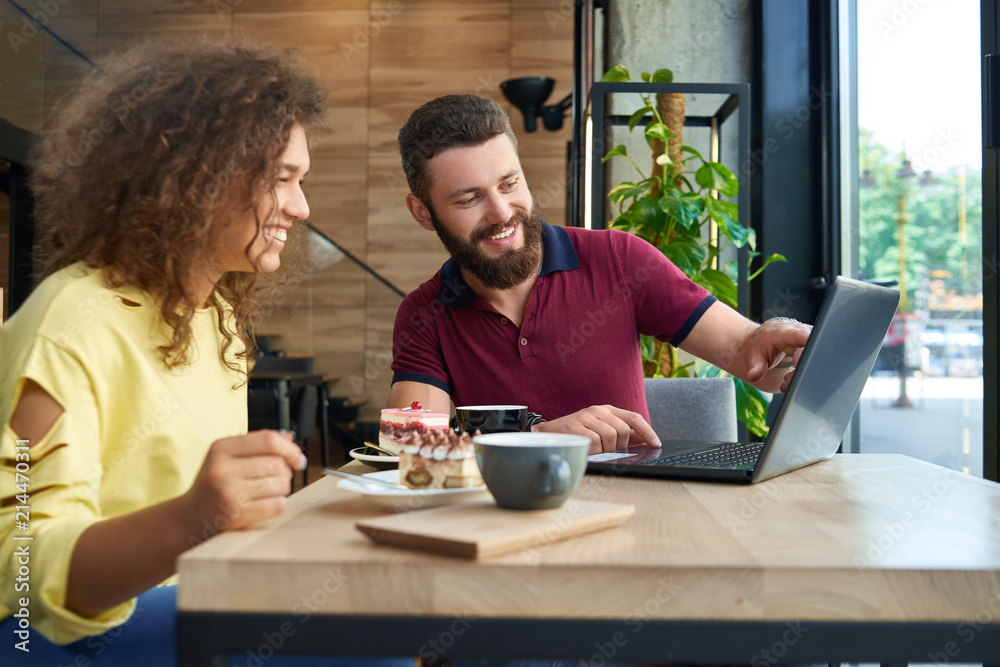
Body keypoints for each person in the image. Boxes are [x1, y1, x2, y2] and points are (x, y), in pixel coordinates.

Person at [0, 40, 409, 667]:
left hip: (185, 602)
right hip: (52, 639)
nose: (302, 207)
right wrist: (189, 520)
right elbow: (23, 578)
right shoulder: (69, 322)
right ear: (191, 177)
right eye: (282, 179)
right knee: (363, 639)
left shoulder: (216, 320)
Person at [389, 94, 812, 453]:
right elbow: (411, 445)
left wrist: (768, 336)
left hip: (637, 517)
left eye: (509, 184)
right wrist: (536, 436)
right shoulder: (424, 313)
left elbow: (747, 352)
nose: (501, 213)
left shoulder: (619, 258)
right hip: (504, 526)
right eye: (469, 199)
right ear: (423, 212)